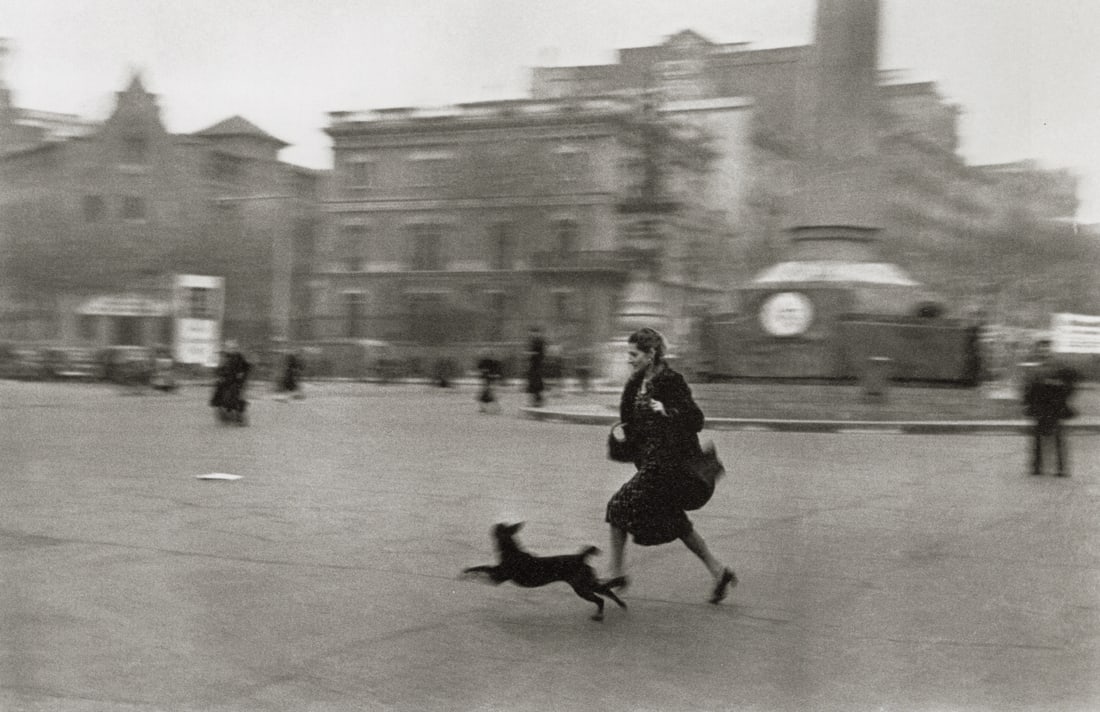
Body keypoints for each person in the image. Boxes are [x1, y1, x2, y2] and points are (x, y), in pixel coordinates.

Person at [605, 327, 737, 603]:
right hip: (651, 464)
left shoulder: (671, 381)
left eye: (634, 354)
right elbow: (632, 421)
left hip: (670, 465)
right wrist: (627, 437)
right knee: (676, 523)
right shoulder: (635, 382)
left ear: (651, 353)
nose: (629, 359)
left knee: (617, 506)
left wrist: (668, 412)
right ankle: (719, 571)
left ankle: (616, 573)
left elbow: (695, 419)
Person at [1022, 338, 1078, 476]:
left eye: (1046, 348)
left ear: (1050, 349)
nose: (1043, 351)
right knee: (1037, 437)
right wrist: (1027, 401)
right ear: (1038, 350)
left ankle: (1061, 469)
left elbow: (1069, 384)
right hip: (1040, 406)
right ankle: (1036, 467)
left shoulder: (1059, 365)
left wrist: (1056, 386)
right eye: (1041, 348)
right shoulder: (1034, 366)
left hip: (1054, 406)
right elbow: (1028, 386)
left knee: (1058, 437)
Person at [210, 339, 251, 425]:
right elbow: (219, 369)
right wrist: (219, 376)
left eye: (233, 347)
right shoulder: (224, 357)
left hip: (236, 382)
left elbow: (246, 368)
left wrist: (242, 376)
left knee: (235, 397)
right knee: (219, 396)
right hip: (225, 381)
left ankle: (239, 417)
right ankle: (224, 416)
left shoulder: (239, 357)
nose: (231, 349)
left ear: (236, 348)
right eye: (229, 347)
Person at [525, 326, 546, 407]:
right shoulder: (533, 341)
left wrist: (530, 353)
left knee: (536, 383)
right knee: (533, 383)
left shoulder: (539, 342)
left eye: (532, 333)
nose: (531, 335)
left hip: (537, 365)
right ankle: (536, 401)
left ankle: (537, 401)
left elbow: (540, 354)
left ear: (536, 333)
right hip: (534, 364)